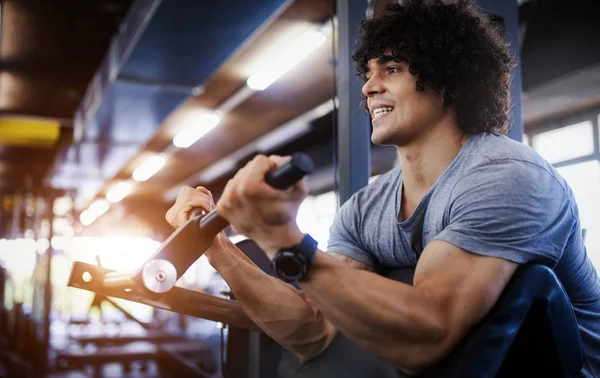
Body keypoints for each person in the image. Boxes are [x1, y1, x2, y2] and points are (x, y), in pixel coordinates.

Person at [166, 0, 600, 376]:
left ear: (446, 80)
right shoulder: (364, 209)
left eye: (391, 68)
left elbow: (426, 338)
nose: (370, 87)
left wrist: (286, 241)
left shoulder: (508, 176)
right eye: (369, 72)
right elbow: (314, 331)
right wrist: (217, 248)